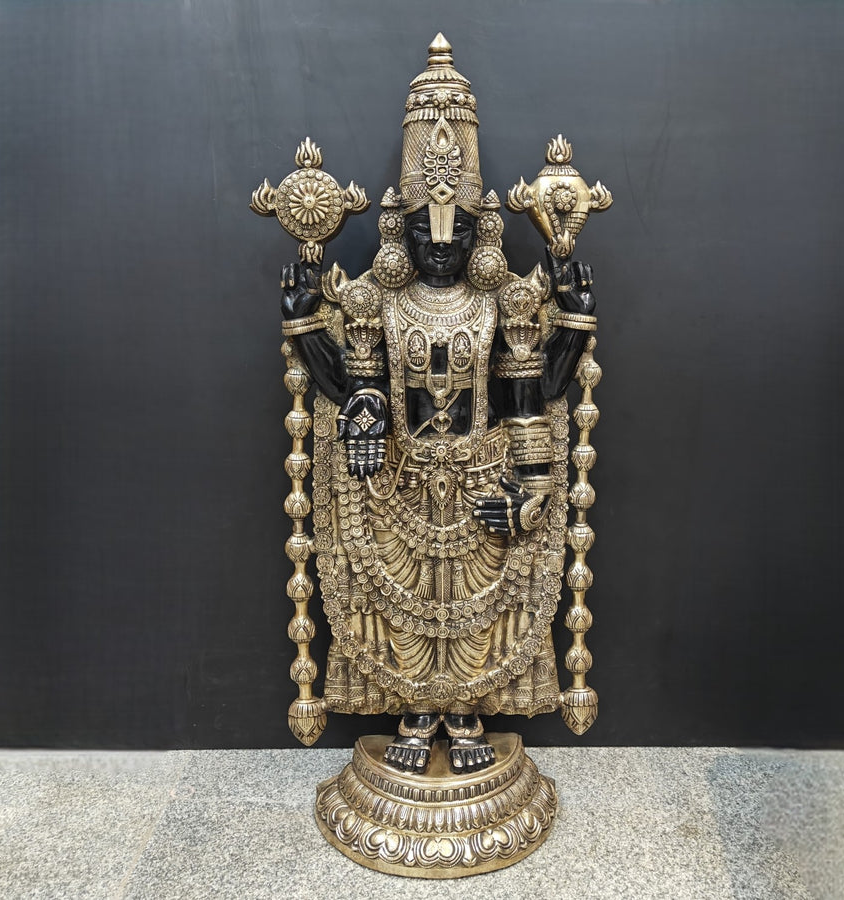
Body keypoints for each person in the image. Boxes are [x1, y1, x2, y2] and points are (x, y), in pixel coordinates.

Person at [280, 35, 596, 775]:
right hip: (398, 486)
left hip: (485, 484)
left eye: (455, 227)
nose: (442, 243)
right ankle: (417, 712)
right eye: (425, 226)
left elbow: (529, 401)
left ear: (482, 228)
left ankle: (466, 712)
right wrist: (306, 329)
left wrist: (532, 490)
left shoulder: (502, 306)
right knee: (406, 606)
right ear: (401, 229)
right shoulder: (377, 307)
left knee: (479, 611)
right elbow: (354, 395)